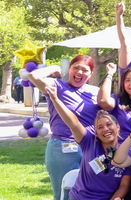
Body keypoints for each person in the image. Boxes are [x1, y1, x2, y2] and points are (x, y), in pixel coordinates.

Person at [29, 55, 100, 199]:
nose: (79, 72)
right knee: (65, 194)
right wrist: (55, 68)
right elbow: (33, 76)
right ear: (69, 69)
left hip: (91, 148)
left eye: (85, 70)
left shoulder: (95, 92)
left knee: (90, 192)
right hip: (64, 147)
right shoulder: (56, 86)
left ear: (91, 74)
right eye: (76, 67)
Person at [46, 85, 131, 200]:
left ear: (117, 127)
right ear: (96, 132)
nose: (105, 129)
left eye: (109, 124)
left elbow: (124, 185)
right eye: (100, 127)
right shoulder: (89, 142)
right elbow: (73, 122)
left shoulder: (127, 152)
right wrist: (55, 99)